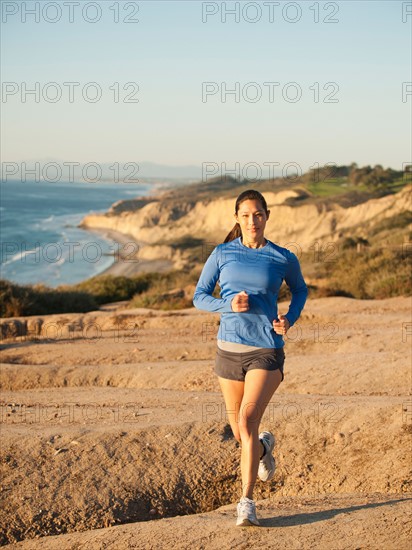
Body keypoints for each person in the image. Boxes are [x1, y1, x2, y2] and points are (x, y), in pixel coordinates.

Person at [192, 189, 308, 527]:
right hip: (228, 350)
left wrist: (290, 318)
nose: (252, 221)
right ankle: (262, 448)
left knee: (246, 422)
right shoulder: (222, 254)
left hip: (266, 349)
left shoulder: (281, 257)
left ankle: (246, 502)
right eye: (245, 215)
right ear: (237, 219)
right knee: (240, 431)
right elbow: (200, 296)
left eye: (258, 214)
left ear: (267, 216)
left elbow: (300, 290)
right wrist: (226, 305)